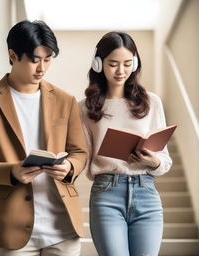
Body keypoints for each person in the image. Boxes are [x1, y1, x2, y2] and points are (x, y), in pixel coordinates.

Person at [0, 20, 87, 256]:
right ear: (13, 55)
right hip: (13, 228)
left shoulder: (65, 100)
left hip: (63, 226)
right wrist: (12, 171)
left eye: (48, 59)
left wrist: (70, 166)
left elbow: (80, 152)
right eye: (34, 60)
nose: (42, 68)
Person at [79, 32, 172, 256]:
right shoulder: (84, 108)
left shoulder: (152, 102)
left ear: (135, 64)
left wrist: (154, 161)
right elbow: (83, 157)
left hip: (147, 192)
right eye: (113, 64)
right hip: (106, 193)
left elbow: (166, 161)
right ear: (98, 64)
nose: (121, 71)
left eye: (127, 64)